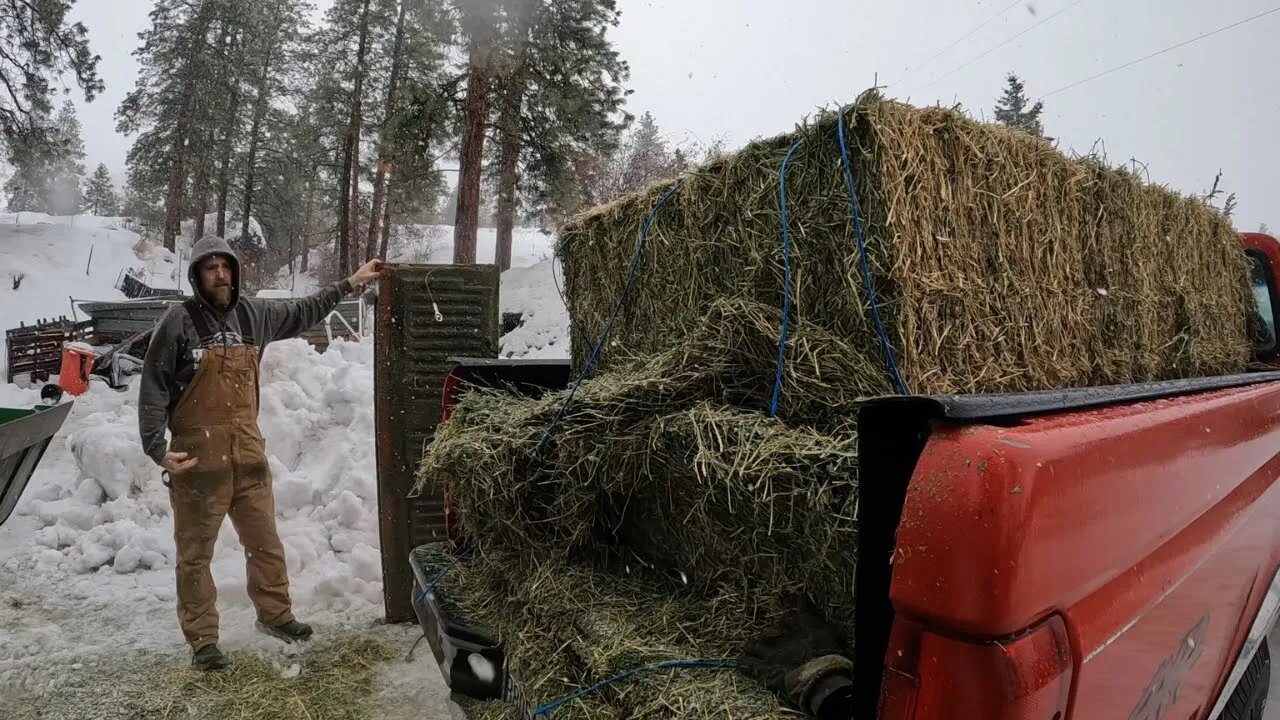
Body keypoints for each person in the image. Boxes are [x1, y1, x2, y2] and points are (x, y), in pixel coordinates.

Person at [138, 234, 383, 671]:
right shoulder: (178, 322)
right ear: (197, 275)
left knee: (265, 544)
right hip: (197, 461)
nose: (219, 274)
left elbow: (306, 308)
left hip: (248, 455)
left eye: (225, 266)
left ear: (234, 271)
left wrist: (350, 283)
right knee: (194, 555)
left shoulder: (256, 315)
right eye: (210, 267)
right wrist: (156, 447)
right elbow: (153, 386)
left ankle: (275, 616)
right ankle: (203, 640)